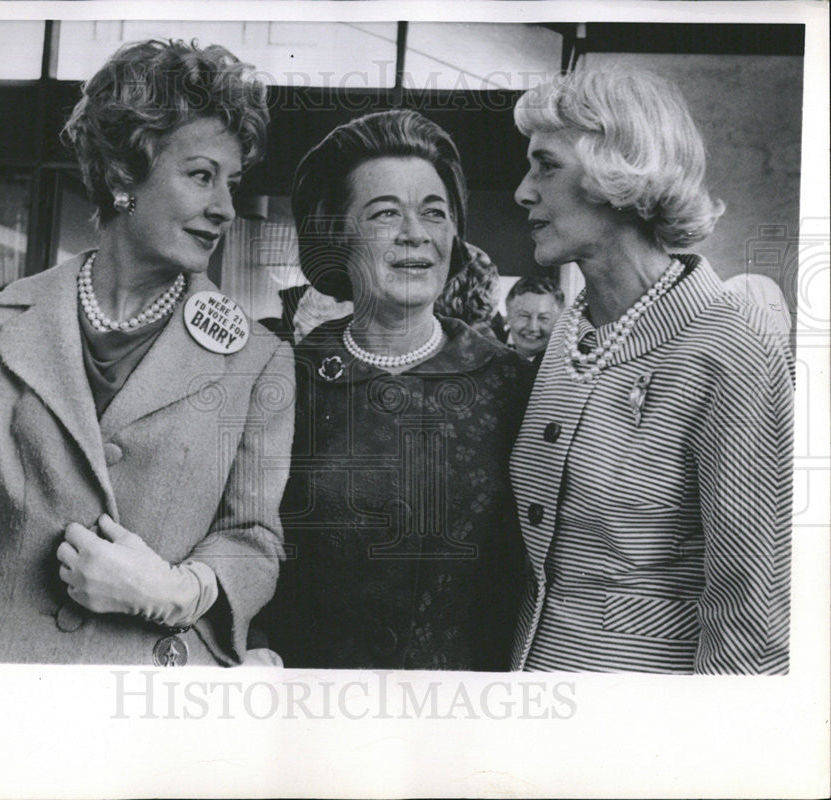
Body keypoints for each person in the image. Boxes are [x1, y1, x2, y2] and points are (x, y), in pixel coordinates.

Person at [0, 40, 294, 666]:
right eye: (202, 175)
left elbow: (253, 540)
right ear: (124, 176)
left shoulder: (258, 360)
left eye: (232, 182)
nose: (225, 207)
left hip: (154, 703)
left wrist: (179, 592)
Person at [509, 69, 792, 673]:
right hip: (531, 706)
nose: (522, 192)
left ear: (619, 172)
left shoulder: (733, 346)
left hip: (642, 734)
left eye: (545, 165)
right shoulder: (570, 330)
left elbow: (753, 613)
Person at [260, 109, 533, 670]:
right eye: (386, 214)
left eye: (435, 213)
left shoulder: (513, 386)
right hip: (310, 715)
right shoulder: (284, 376)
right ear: (337, 233)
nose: (416, 234)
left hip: (467, 723)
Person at [503, 275, 564, 363]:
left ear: (558, 320)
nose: (533, 327)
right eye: (524, 316)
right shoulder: (488, 347)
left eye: (543, 318)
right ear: (508, 314)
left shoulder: (565, 362)